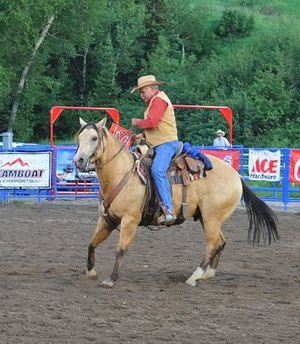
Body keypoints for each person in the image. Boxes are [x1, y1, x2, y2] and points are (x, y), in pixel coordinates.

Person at [131, 75, 179, 225]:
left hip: (166, 144)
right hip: (160, 143)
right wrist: (143, 135)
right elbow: (159, 125)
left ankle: (169, 210)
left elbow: (152, 122)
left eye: (143, 91)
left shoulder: (158, 100)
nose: (142, 95)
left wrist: (137, 122)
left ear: (152, 88)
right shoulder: (155, 100)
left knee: (157, 170)